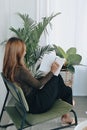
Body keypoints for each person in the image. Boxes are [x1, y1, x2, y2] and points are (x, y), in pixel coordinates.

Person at [3, 37, 73, 124]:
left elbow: (30, 83)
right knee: (58, 79)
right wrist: (52, 71)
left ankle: (64, 99)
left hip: (31, 101)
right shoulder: (20, 70)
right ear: (17, 53)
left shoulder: (8, 69)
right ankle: (66, 111)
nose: (25, 52)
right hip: (37, 105)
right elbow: (38, 85)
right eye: (23, 50)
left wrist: (48, 74)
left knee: (60, 84)